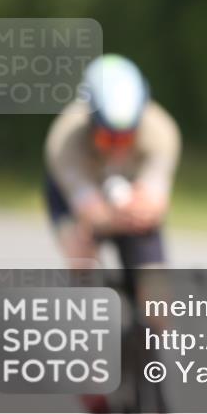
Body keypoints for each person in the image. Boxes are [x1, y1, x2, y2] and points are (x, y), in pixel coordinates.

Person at [44, 53, 181, 273]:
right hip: (75, 198)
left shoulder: (161, 131)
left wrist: (141, 211)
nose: (118, 148)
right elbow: (90, 213)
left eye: (126, 138)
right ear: (90, 121)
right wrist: (110, 217)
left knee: (155, 285)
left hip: (130, 201)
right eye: (108, 138)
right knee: (83, 262)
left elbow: (155, 205)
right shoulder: (64, 139)